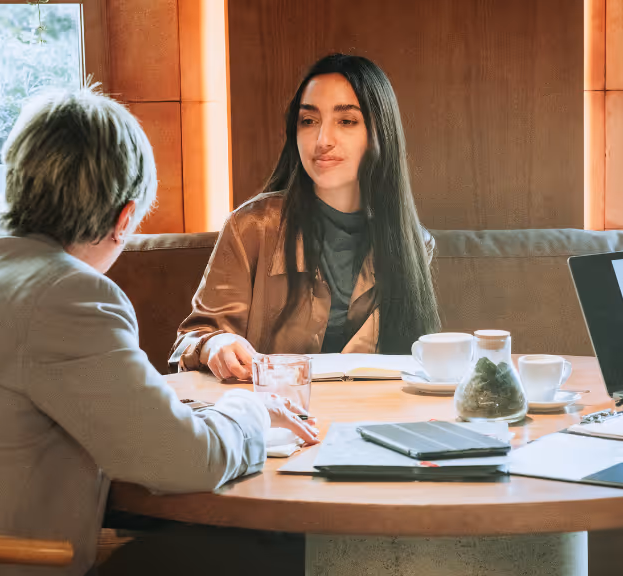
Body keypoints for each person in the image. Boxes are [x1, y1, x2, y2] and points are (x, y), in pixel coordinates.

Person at [0, 86, 318, 576]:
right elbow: (186, 460)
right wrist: (253, 408)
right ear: (125, 218)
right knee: (274, 559)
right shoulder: (68, 294)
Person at [171, 54, 440, 380]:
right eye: (309, 121)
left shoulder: (414, 242)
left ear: (378, 134)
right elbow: (193, 338)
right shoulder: (253, 226)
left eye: (346, 121)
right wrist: (217, 344)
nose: (322, 140)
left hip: (371, 420)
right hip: (272, 417)